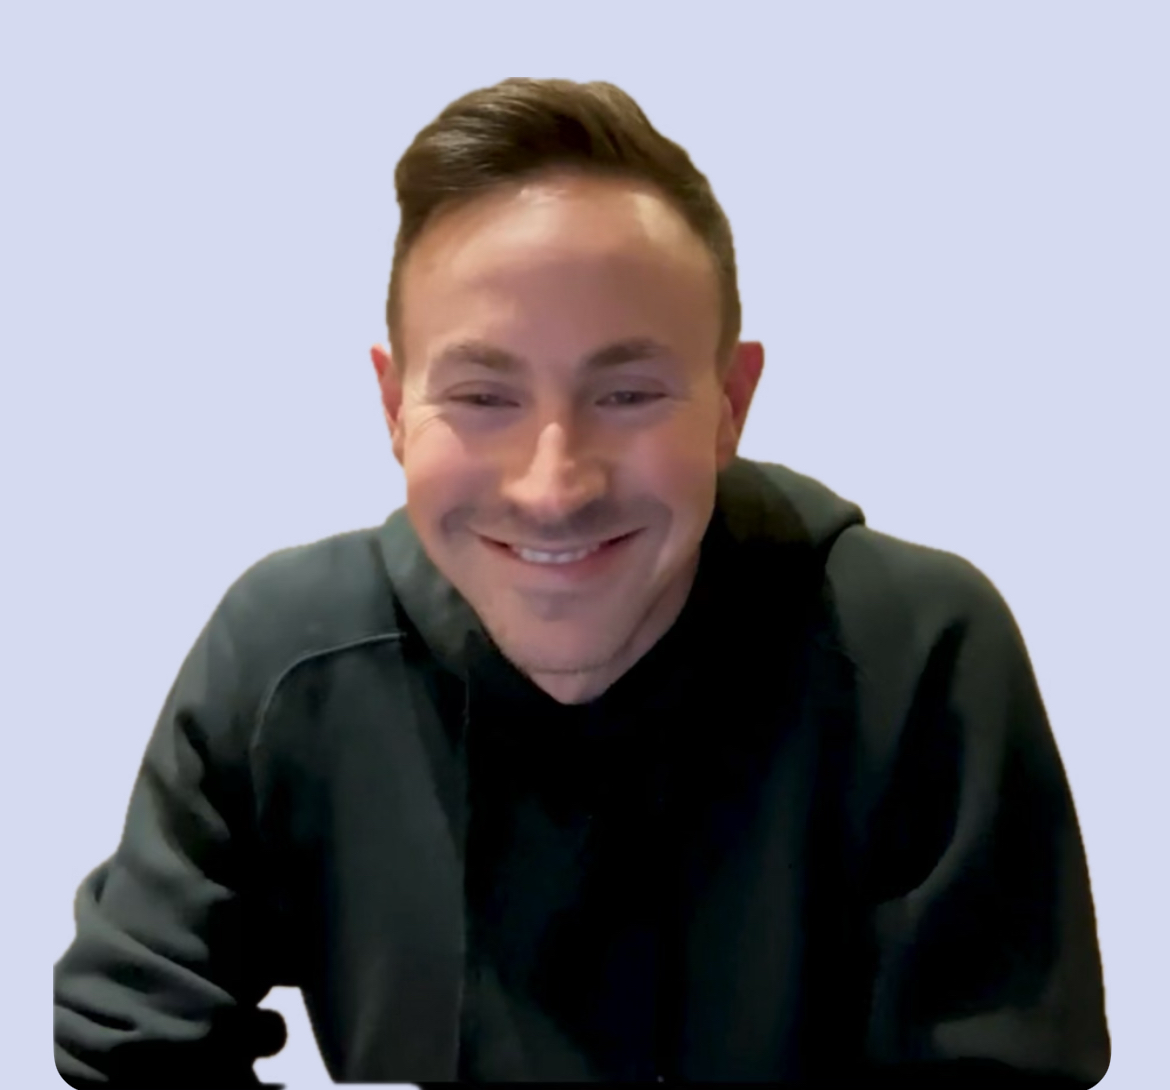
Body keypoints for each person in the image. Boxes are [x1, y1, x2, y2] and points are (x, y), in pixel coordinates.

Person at [53, 77, 1110, 1087]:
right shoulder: (288, 656)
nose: (553, 487)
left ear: (731, 402)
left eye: (628, 393)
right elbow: (135, 1028)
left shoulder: (914, 653)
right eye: (483, 396)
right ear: (393, 406)